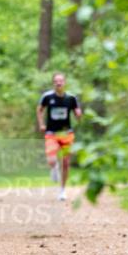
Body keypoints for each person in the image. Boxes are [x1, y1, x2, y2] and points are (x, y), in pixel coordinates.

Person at [36, 72, 82, 201]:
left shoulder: (71, 98)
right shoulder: (47, 97)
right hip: (51, 133)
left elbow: (77, 111)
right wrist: (41, 124)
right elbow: (39, 109)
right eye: (56, 81)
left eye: (61, 80)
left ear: (64, 82)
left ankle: (62, 190)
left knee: (66, 163)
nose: (58, 83)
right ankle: (54, 167)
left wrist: (79, 114)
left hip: (67, 134)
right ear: (53, 83)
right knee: (51, 160)